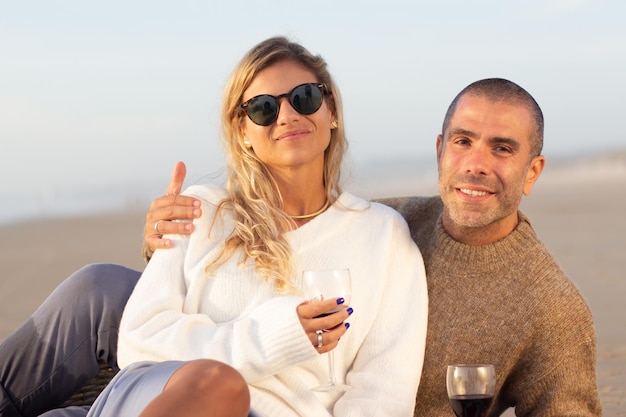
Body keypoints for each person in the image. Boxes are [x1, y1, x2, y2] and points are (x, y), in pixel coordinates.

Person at [0, 74, 600, 415]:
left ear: (535, 169)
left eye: (502, 149)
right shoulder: (396, 219)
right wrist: (165, 243)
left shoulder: (550, 307)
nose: (476, 165)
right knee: (100, 288)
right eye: (464, 142)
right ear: (439, 150)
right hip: (219, 360)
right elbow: (307, 225)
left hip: (292, 395)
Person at [3, 36, 428, 417]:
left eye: (303, 97)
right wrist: (276, 336)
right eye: (263, 108)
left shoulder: (383, 237)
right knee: (216, 386)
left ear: (330, 111)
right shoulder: (203, 210)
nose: (285, 116)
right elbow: (139, 340)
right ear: (243, 131)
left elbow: (382, 390)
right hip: (157, 393)